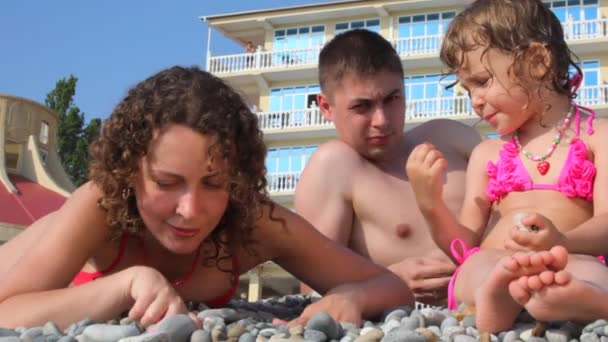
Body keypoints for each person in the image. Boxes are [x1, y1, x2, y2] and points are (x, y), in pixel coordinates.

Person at [0, 66, 413, 329]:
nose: (190, 210)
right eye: (165, 182)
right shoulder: (99, 205)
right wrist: (127, 284)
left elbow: (389, 287)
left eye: (214, 184)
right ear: (129, 170)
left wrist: (351, 297)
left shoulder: (252, 221)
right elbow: (6, 312)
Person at [406, 0, 608, 333]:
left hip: (569, 258)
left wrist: (563, 241)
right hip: (496, 263)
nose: (475, 101)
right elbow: (463, 246)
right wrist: (430, 204)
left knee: (589, 271)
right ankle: (501, 295)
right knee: (476, 266)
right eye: (468, 89)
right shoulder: (487, 154)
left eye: (482, 81)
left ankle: (581, 297)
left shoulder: (598, 137)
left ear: (538, 63)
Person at [295, 29, 480, 306]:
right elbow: (312, 291)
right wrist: (387, 281)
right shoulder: (335, 168)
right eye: (362, 107)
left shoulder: (450, 137)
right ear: (326, 106)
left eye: (392, 99)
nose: (381, 120)